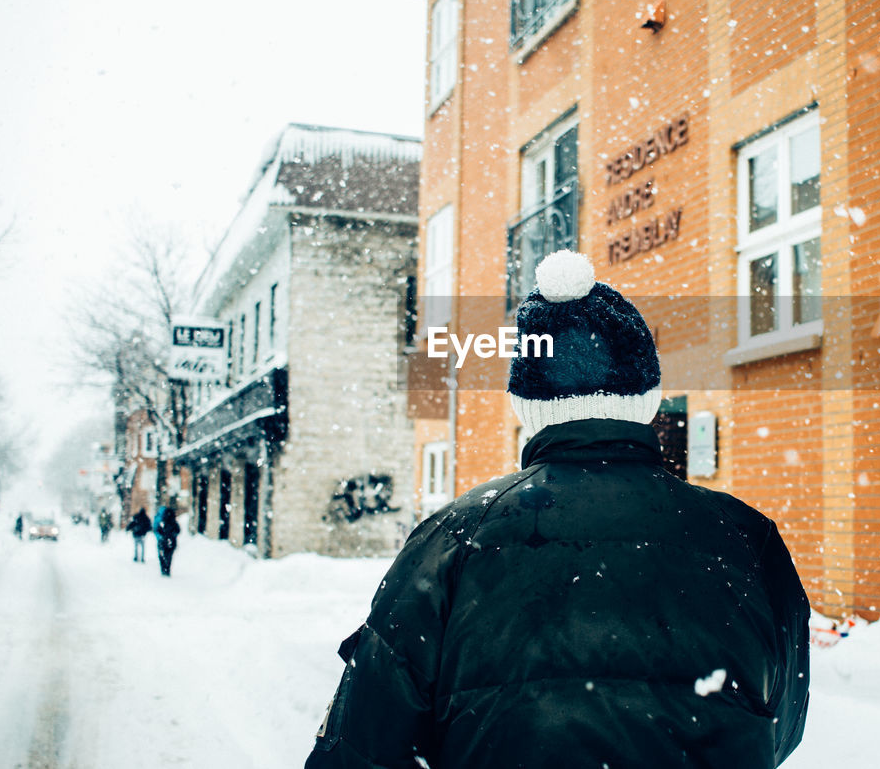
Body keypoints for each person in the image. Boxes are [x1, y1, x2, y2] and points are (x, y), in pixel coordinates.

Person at [305, 251, 810, 769]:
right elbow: (782, 726)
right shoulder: (749, 539)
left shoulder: (451, 540)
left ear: (528, 409)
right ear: (648, 399)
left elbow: (360, 748)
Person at [155, 502, 180, 576]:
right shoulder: (174, 522)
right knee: (169, 556)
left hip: (163, 541)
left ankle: (164, 569)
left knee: (162, 555)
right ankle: (167, 568)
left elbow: (158, 530)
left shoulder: (163, 522)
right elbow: (178, 530)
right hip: (171, 542)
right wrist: (173, 535)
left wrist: (161, 536)